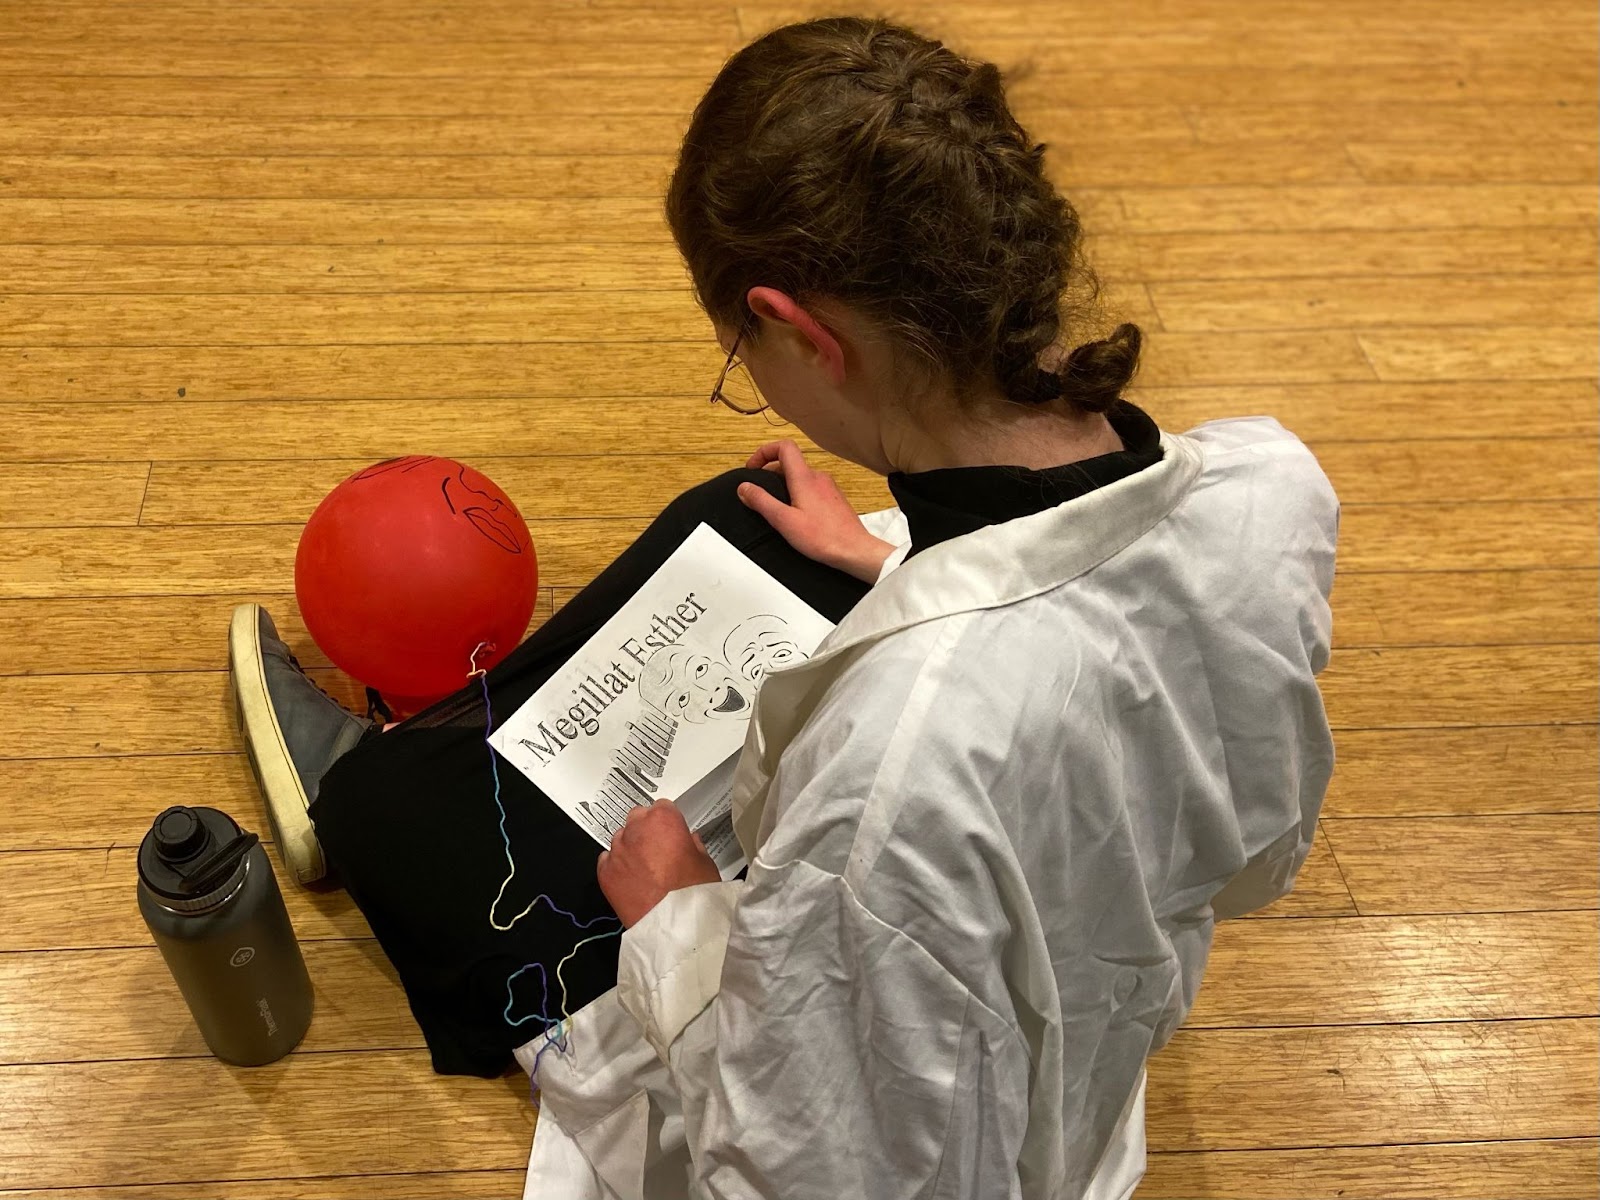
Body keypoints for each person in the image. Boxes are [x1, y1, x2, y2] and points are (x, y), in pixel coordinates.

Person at [228, 16, 1337, 1199]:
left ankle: (362, 781)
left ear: (802, 332)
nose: (748, 373)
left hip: (946, 1128)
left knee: (389, 811)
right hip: (1075, 988)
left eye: (740, 353)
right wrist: (893, 571)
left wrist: (675, 921)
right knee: (742, 516)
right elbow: (1253, 853)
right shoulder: (1270, 486)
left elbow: (801, 1169)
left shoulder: (893, 769)